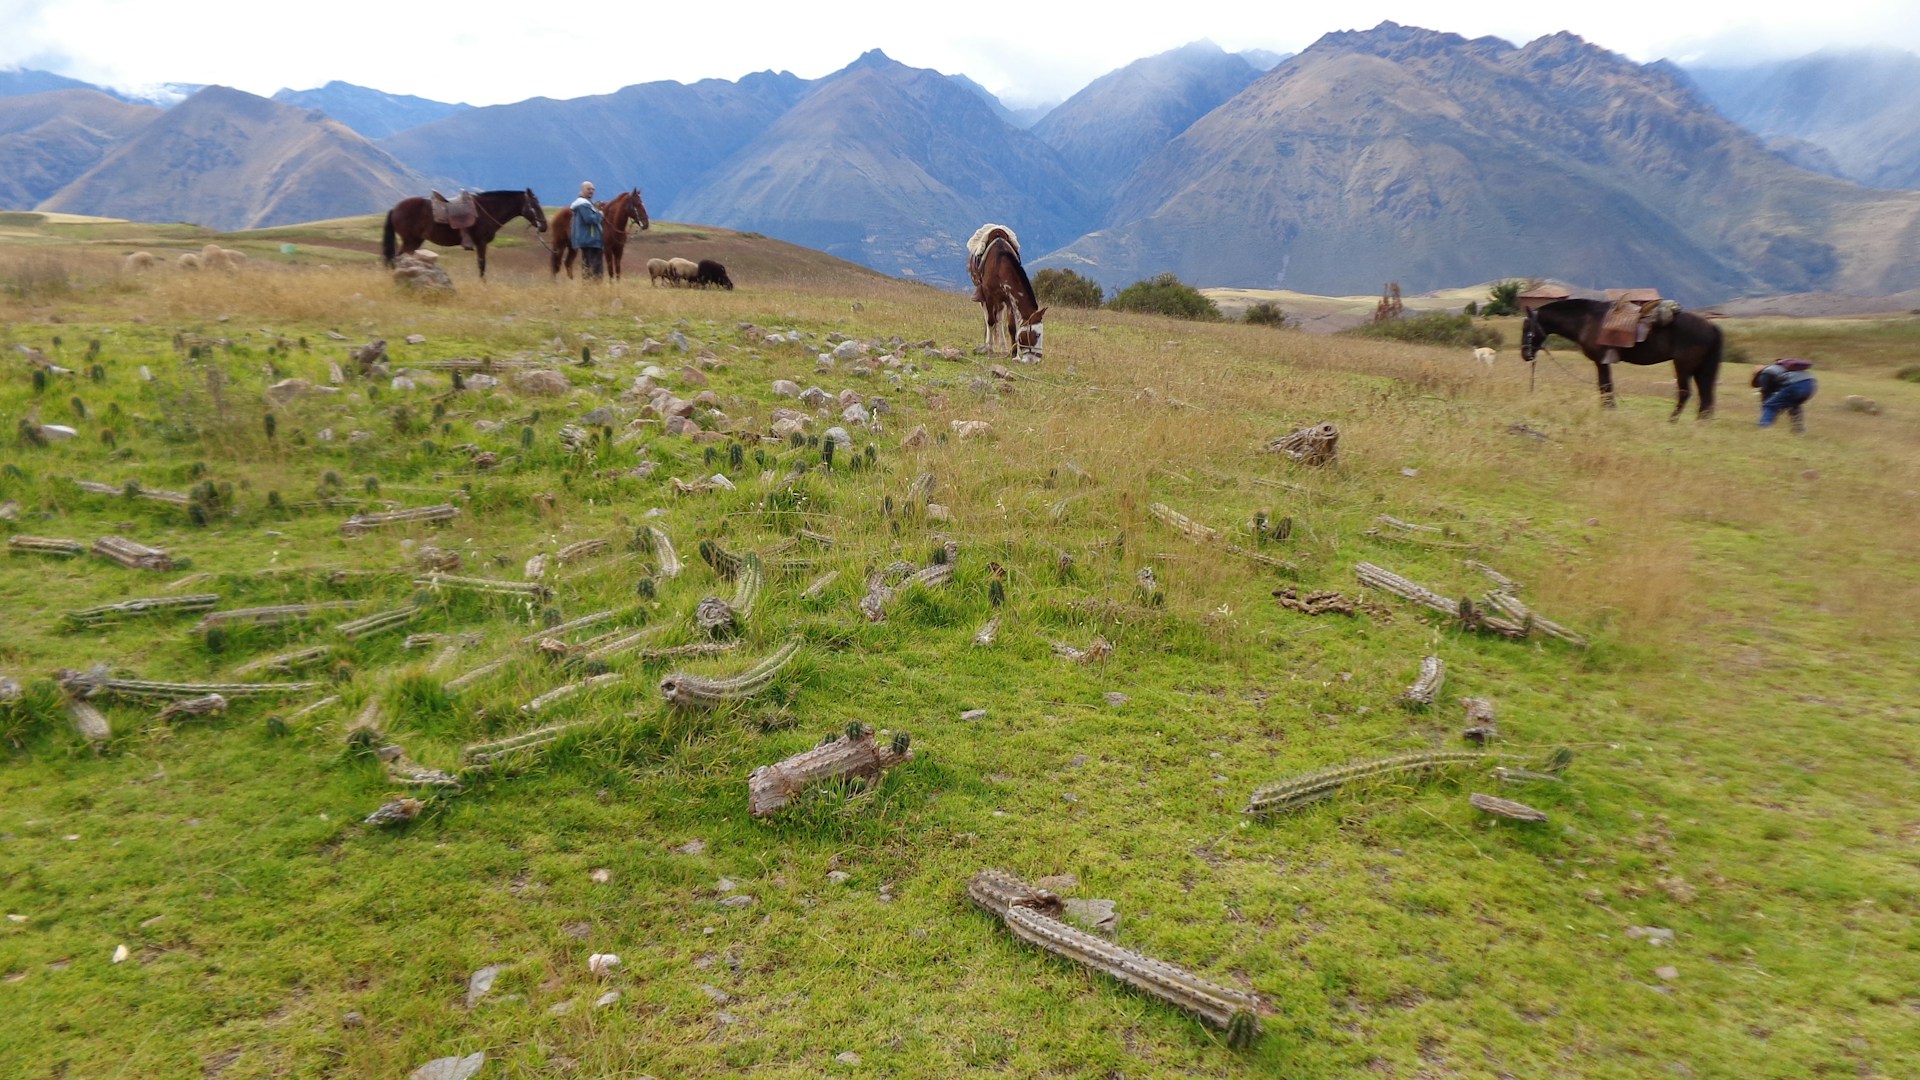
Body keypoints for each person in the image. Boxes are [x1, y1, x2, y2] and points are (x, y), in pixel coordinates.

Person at [1752, 358, 1816, 432]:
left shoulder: (1765, 374)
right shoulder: (1779, 368)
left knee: (1769, 405)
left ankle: (1764, 426)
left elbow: (1766, 392)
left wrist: (1766, 409)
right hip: (1810, 384)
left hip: (1795, 384)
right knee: (1794, 405)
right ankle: (1799, 430)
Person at [570, 181, 605, 280]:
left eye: (593, 189)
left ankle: (593, 287)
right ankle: (592, 287)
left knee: (592, 265)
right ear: (582, 190)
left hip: (593, 240)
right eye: (588, 189)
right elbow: (590, 219)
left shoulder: (586, 203)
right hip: (589, 240)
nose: (591, 191)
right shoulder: (583, 204)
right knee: (592, 266)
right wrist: (600, 214)